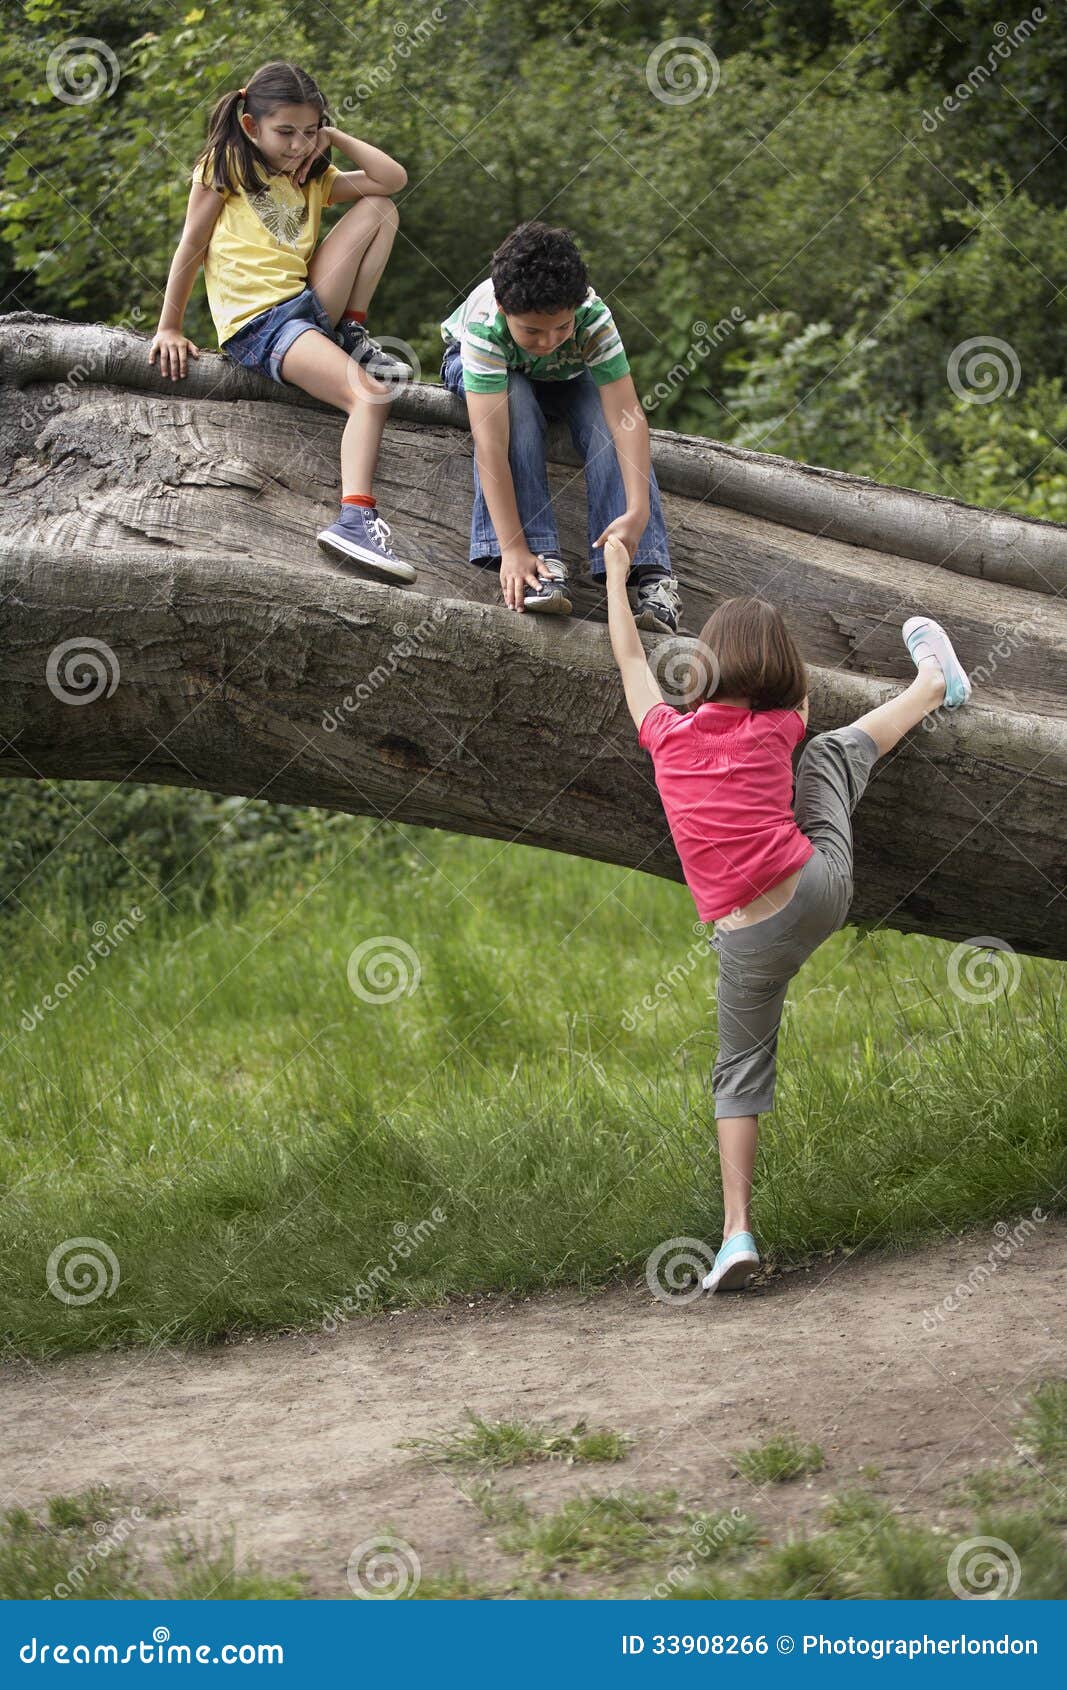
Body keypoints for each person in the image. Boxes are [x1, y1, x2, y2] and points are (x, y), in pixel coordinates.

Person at [602, 534, 973, 1294]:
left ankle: (735, 1235)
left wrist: (614, 576)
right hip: (815, 891)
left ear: (701, 667)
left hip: (743, 939)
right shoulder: (779, 727)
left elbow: (631, 662)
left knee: (735, 1075)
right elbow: (794, 697)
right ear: (776, 672)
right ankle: (935, 682)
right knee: (832, 755)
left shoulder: (665, 737)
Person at [148, 59, 416, 583]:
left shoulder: (314, 174)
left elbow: (392, 179)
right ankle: (355, 519)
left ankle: (354, 334)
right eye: (285, 132)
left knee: (380, 208)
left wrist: (331, 136)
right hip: (262, 324)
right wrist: (169, 327)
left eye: (308, 131)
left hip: (309, 304)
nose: (297, 144)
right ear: (252, 126)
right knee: (368, 395)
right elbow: (191, 246)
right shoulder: (227, 165)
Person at [440, 221, 681, 634]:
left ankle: (648, 572)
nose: (548, 340)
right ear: (503, 309)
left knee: (603, 419)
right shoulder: (485, 327)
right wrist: (512, 547)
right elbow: (491, 446)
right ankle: (538, 559)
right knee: (518, 407)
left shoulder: (592, 316)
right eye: (532, 330)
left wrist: (638, 511)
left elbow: (628, 415)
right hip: (494, 374)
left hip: (564, 377)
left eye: (561, 328)